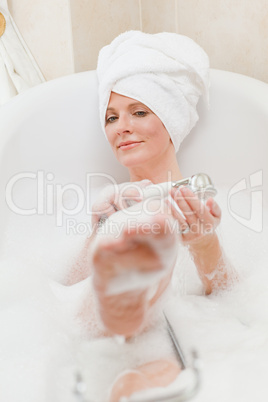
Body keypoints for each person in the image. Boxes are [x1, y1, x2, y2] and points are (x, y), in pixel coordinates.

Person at [67, 31, 234, 401]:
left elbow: (228, 294)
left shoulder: (201, 197)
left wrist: (203, 241)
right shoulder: (108, 202)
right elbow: (65, 290)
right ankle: (129, 293)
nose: (121, 126)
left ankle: (135, 296)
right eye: (111, 117)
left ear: (171, 117)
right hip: (97, 337)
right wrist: (97, 232)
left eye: (139, 112)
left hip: (172, 341)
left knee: (150, 375)